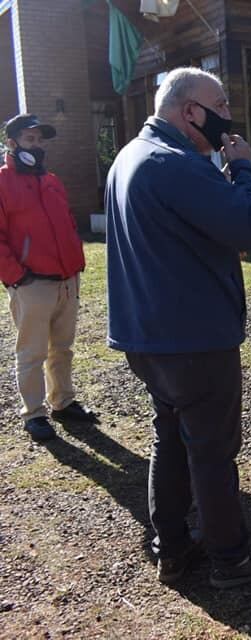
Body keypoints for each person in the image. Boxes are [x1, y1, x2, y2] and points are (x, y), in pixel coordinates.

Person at [105, 67, 251, 588]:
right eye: (222, 104)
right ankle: (230, 559)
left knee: (171, 437)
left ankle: (171, 548)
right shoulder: (175, 162)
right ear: (191, 112)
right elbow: (249, 226)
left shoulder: (130, 156)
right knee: (211, 451)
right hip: (193, 336)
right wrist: (244, 168)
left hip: (149, 336)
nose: (228, 115)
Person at [0, 113, 97, 442]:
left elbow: (67, 222)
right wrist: (16, 276)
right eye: (30, 139)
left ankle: (63, 401)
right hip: (32, 284)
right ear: (11, 143)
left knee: (63, 348)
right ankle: (34, 413)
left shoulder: (51, 179)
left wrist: (77, 260)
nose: (38, 146)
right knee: (31, 352)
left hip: (67, 279)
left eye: (41, 140)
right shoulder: (2, 182)